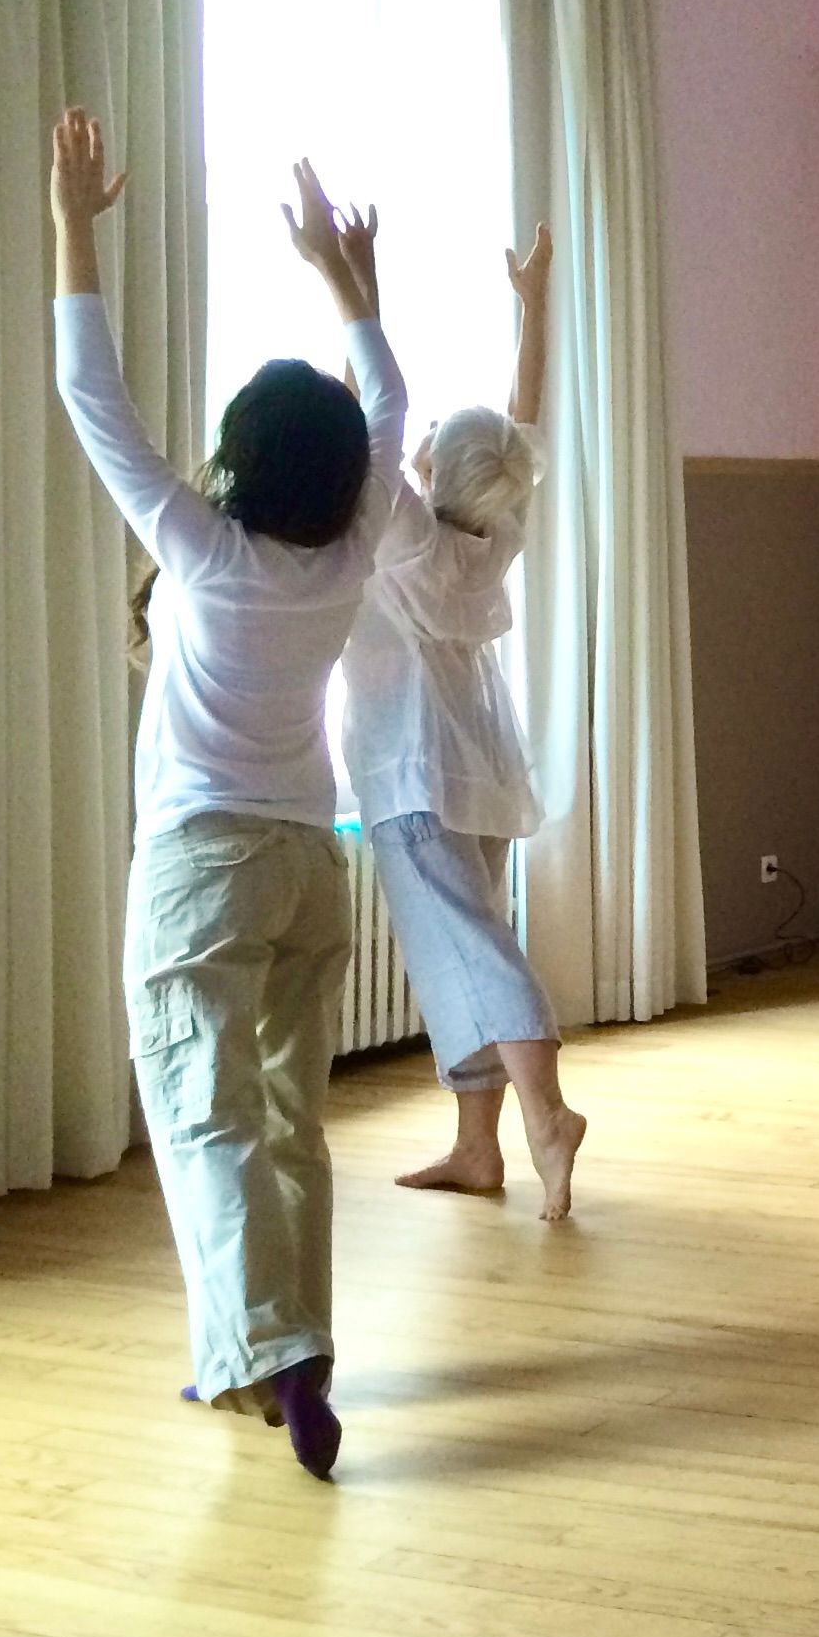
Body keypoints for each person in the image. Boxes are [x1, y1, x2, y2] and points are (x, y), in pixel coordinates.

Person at [50, 108, 405, 1481]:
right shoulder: (344, 550)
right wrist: (349, 283)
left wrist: (77, 222)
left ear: (239, 461)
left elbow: (97, 400)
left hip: (201, 861)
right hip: (313, 860)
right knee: (287, 1113)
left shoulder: (202, 551)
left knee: (202, 1116)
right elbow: (390, 410)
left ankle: (269, 1348)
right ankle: (274, 1343)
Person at [339, 221, 586, 1221]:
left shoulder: (404, 537)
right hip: (477, 776)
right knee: (463, 951)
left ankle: (546, 1113)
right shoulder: (492, 535)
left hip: (413, 781)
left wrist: (352, 283)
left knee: (476, 951)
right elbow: (519, 437)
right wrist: (533, 310)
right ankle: (476, 1148)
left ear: (433, 468)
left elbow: (385, 414)